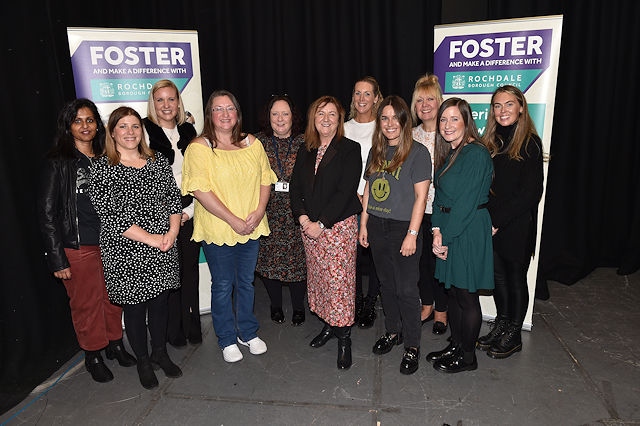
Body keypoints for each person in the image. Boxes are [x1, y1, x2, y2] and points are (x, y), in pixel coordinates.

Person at [37, 99, 136, 383]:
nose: (85, 126)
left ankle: (115, 344)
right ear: (68, 126)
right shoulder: (58, 163)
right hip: (79, 247)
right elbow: (46, 214)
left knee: (114, 298)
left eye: (90, 120)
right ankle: (93, 354)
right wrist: (57, 257)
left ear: (98, 125)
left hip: (114, 243)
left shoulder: (108, 158)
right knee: (86, 304)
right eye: (78, 121)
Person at [89, 106, 183, 390]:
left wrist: (173, 232)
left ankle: (159, 353)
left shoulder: (157, 162)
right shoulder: (101, 167)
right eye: (123, 127)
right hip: (125, 251)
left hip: (164, 245)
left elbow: (173, 200)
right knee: (134, 306)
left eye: (134, 126)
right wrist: (153, 239)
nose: (130, 132)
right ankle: (143, 359)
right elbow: (111, 215)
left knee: (160, 304)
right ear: (112, 132)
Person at [182, 90, 277, 363]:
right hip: (218, 229)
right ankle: (226, 338)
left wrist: (259, 212)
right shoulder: (199, 148)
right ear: (210, 115)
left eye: (230, 109)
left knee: (246, 282)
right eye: (218, 109)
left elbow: (265, 179)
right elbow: (200, 190)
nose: (225, 114)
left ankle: (247, 332)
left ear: (238, 113)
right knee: (223, 284)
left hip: (252, 226)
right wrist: (233, 220)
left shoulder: (252, 143)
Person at [359, 95, 430, 375]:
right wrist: (364, 224)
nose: (390, 124)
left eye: (395, 118)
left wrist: (412, 234)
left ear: (404, 120)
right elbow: (367, 193)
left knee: (407, 289)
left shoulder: (418, 153)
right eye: (384, 118)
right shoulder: (375, 151)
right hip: (377, 226)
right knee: (386, 286)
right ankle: (393, 332)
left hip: (404, 228)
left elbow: (420, 198)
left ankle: (412, 345)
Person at [289, 95, 362, 369]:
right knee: (320, 280)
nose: (326, 119)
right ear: (313, 119)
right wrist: (304, 218)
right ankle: (330, 326)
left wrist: (322, 224)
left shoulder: (350, 149)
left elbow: (345, 192)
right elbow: (295, 187)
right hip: (309, 228)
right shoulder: (305, 149)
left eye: (332, 114)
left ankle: (345, 338)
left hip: (337, 228)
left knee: (340, 284)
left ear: (339, 119)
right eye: (321, 114)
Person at [425, 98, 494, 374]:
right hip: (450, 230)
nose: (447, 125)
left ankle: (468, 356)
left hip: (467, 231)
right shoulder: (449, 154)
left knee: (466, 297)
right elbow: (440, 198)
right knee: (452, 293)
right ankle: (456, 343)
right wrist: (436, 231)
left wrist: (447, 237)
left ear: (467, 121)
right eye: (443, 119)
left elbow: (465, 205)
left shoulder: (476, 154)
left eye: (454, 119)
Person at [476, 85, 543, 359]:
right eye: (497, 105)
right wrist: (485, 219)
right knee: (498, 278)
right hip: (491, 224)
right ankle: (502, 323)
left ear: (520, 108)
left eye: (508, 105)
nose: (502, 111)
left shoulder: (530, 143)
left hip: (515, 226)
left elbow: (531, 193)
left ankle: (514, 332)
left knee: (516, 280)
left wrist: (497, 221)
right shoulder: (489, 142)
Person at [143, 79, 202, 347]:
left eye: (171, 99)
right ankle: (173, 329)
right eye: (160, 100)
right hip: (159, 216)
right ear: (153, 104)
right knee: (169, 273)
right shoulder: (143, 131)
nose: (166, 105)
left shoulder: (189, 130)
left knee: (189, 270)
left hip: (190, 210)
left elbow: (201, 174)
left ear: (178, 102)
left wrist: (189, 212)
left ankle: (193, 326)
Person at [254, 95, 307, 326]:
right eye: (275, 113)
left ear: (293, 116)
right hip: (266, 211)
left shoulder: (306, 142)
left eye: (285, 113)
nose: (280, 118)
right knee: (269, 263)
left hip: (298, 212)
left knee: (298, 263)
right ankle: (275, 305)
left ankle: (298, 307)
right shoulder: (256, 143)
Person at [410, 73, 449, 334]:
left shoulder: (449, 135)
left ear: (440, 102)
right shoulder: (409, 135)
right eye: (419, 100)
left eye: (430, 99)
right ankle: (425, 304)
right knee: (420, 262)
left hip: (442, 211)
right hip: (415, 211)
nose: (425, 105)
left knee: (440, 263)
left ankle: (442, 311)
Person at [343, 76, 383, 329]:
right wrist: (352, 194)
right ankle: (355, 300)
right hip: (350, 202)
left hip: (378, 201)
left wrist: (368, 194)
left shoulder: (384, 126)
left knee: (377, 256)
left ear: (377, 98)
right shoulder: (343, 128)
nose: (361, 99)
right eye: (358, 93)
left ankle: (371, 302)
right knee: (353, 257)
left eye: (367, 94)